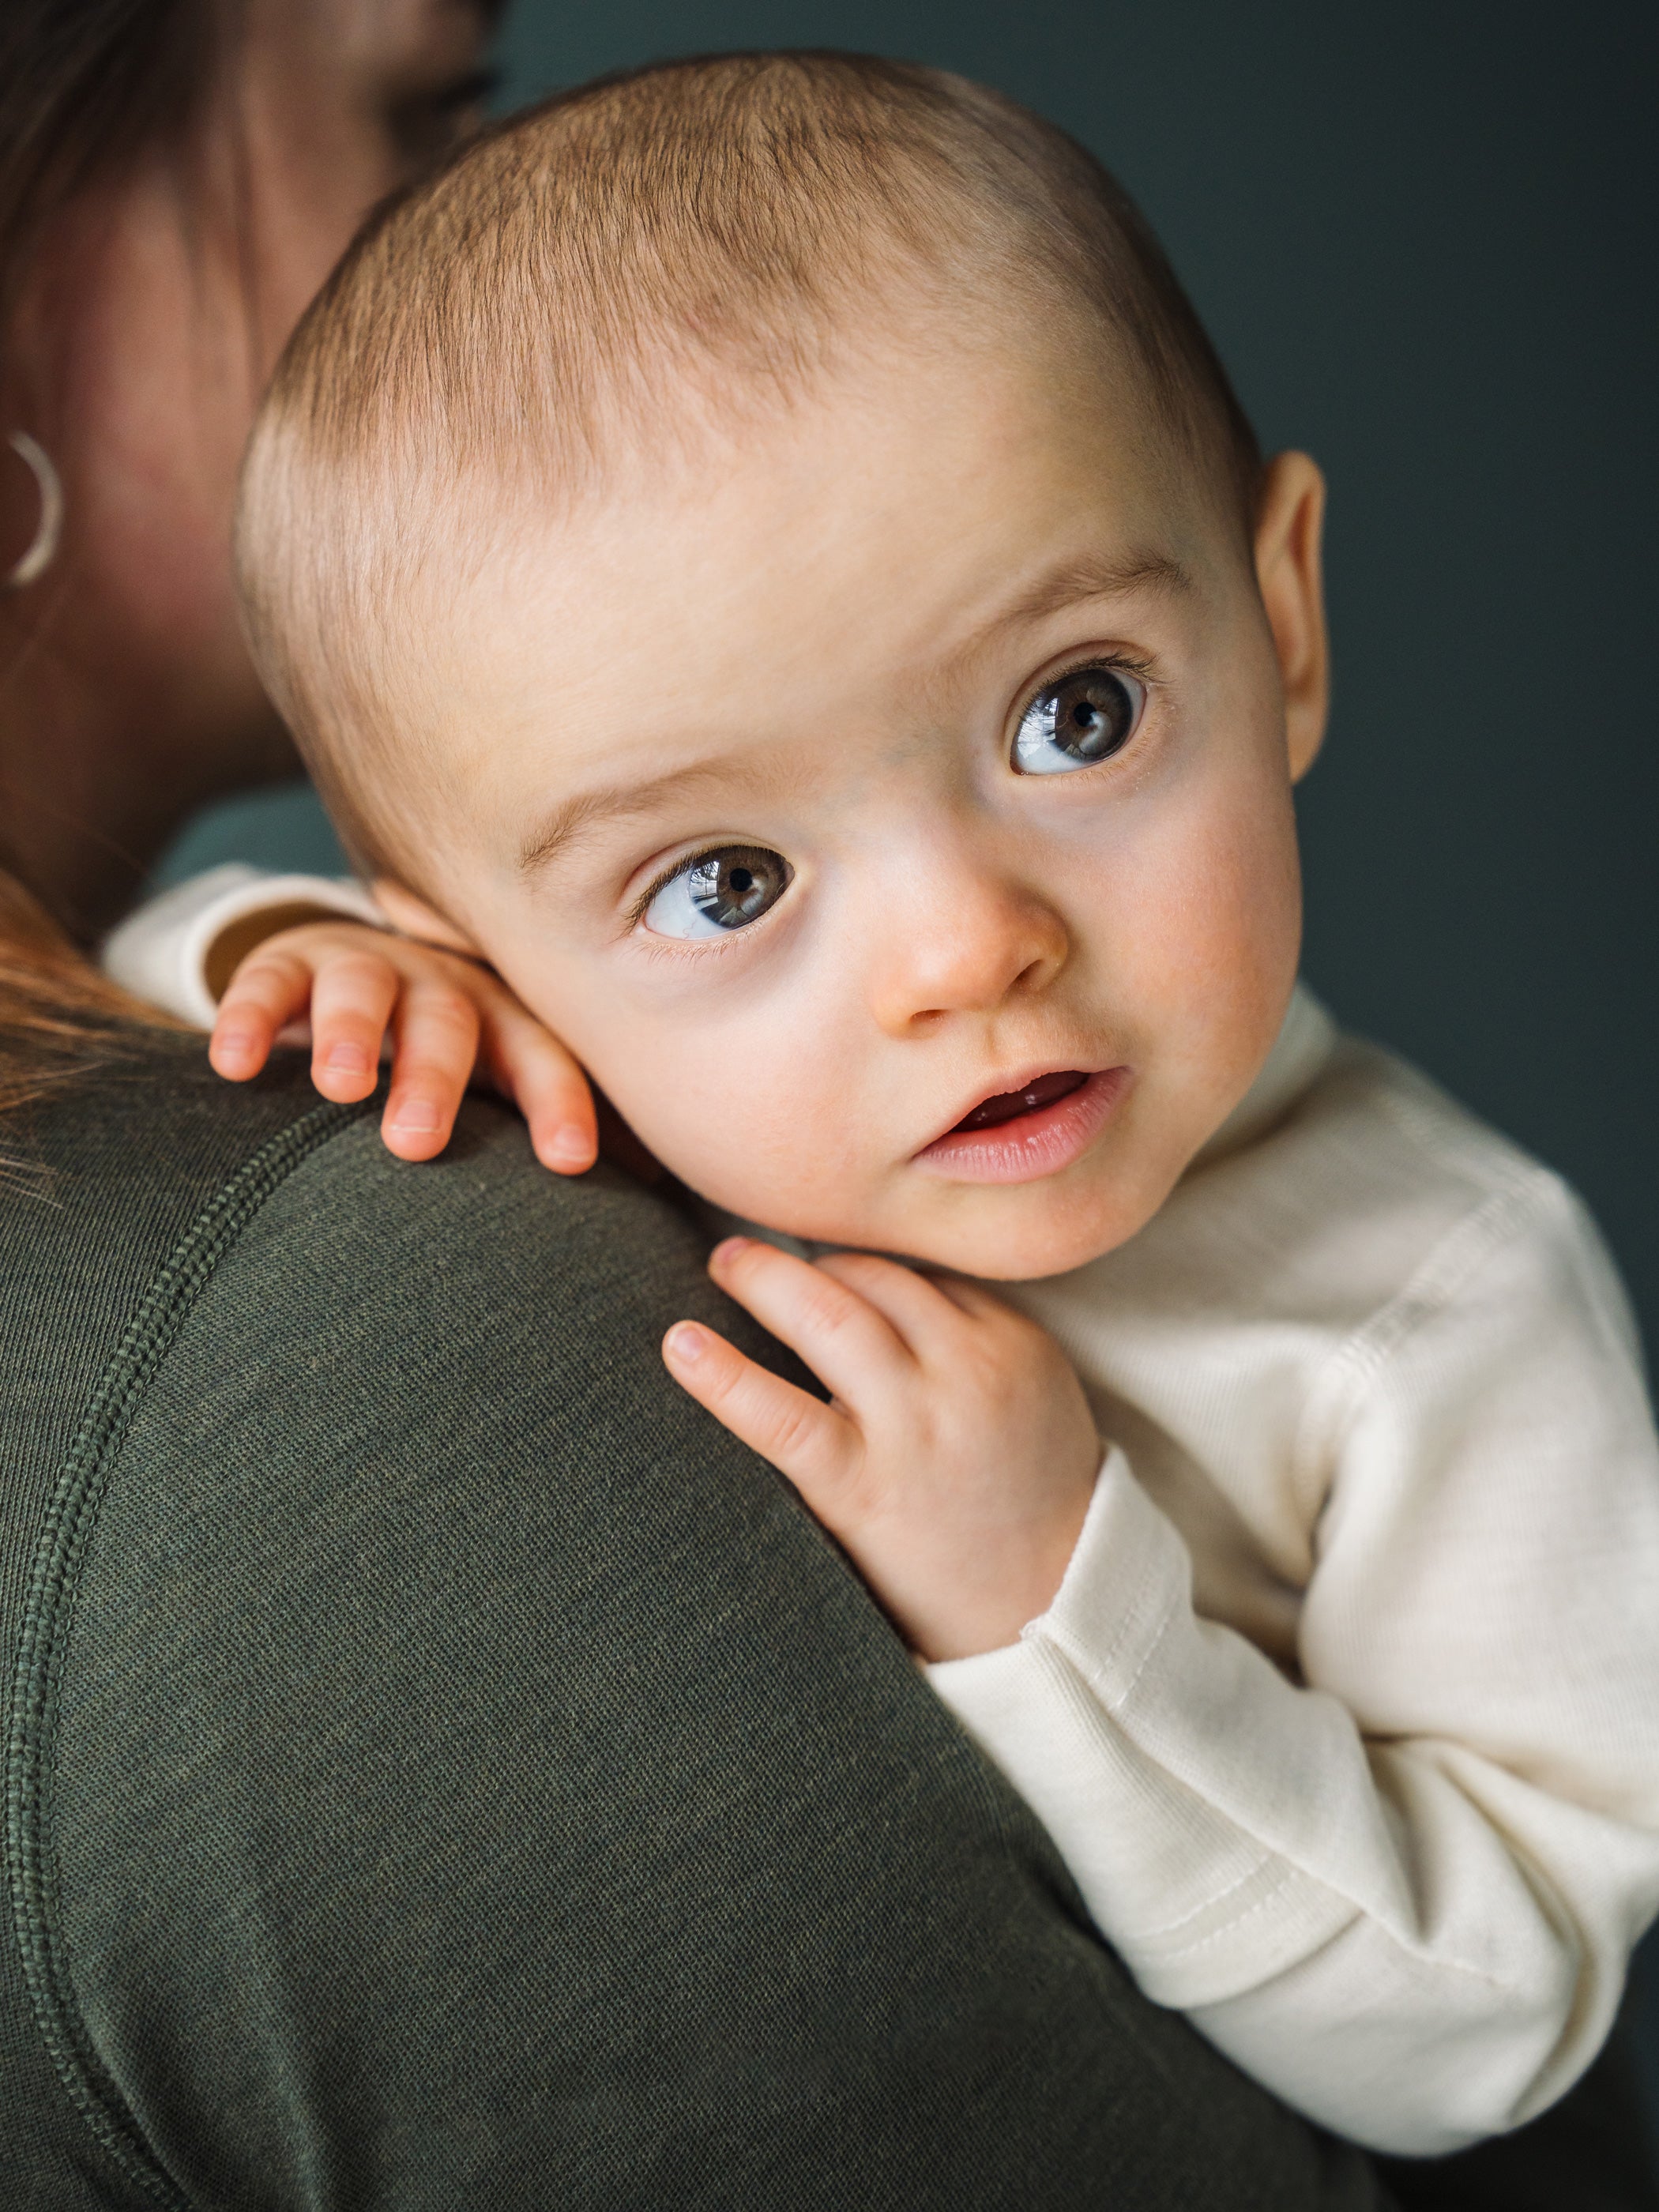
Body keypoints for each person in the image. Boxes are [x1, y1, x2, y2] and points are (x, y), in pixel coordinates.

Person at [119, 50, 1659, 2172]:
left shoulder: (1438, 1308)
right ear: (481, 934)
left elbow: (1507, 2013)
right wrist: (297, 972)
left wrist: (1060, 1603)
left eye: (1075, 712)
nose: (964, 948)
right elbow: (147, 985)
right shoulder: (574, 1047)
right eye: (725, 883)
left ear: (1281, 617)